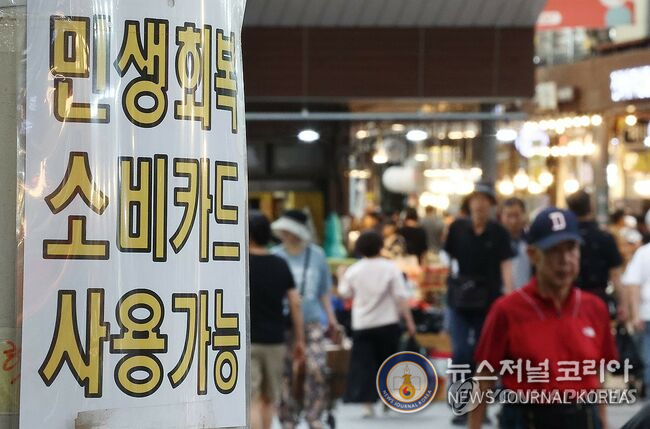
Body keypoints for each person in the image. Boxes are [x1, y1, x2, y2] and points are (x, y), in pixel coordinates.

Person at [469, 207, 618, 429]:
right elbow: (484, 377)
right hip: (526, 418)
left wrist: (603, 421)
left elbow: (597, 372)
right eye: (553, 251)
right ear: (533, 255)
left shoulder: (594, 308)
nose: (564, 260)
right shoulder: (507, 310)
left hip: (582, 418)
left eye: (571, 249)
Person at [443, 181, 514, 425]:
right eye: (476, 199)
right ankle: (461, 405)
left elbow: (506, 265)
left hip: (489, 301)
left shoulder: (499, 233)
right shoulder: (457, 228)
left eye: (485, 200)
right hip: (460, 300)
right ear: (469, 202)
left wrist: (509, 295)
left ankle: (481, 407)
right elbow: (449, 261)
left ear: (492, 205)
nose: (480, 204)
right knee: (461, 352)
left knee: (485, 356)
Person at [271, 209, 338, 429]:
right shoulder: (276, 255)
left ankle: (314, 415)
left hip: (312, 321)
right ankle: (287, 418)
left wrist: (332, 319)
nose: (285, 234)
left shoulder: (316, 255)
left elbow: (324, 291)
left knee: (317, 368)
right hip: (283, 323)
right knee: (284, 372)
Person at [338, 230, 417, 417]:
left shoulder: (355, 270)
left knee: (364, 364)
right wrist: (409, 321)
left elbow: (344, 293)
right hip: (387, 322)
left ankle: (367, 404)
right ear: (380, 247)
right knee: (387, 361)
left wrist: (341, 275)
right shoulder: (390, 268)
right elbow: (401, 297)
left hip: (362, 323)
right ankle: (387, 396)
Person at [249, 212, 305, 429]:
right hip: (275, 340)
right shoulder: (280, 264)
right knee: (269, 399)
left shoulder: (240, 263)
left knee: (251, 400)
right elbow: (295, 303)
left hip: (247, 340)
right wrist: (300, 339)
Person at [566, 190, 627, 320]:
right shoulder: (605, 237)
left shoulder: (566, 240)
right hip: (598, 299)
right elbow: (615, 275)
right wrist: (622, 303)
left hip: (569, 300)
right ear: (591, 207)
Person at [621, 236, 650, 398]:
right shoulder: (643, 253)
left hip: (646, 312)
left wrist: (635, 314)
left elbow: (632, 284)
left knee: (648, 357)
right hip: (646, 313)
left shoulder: (643, 253)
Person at [500, 197, 532, 289]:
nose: (513, 221)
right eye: (509, 216)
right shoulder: (494, 241)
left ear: (524, 215)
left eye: (517, 215)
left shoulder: (532, 241)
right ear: (501, 216)